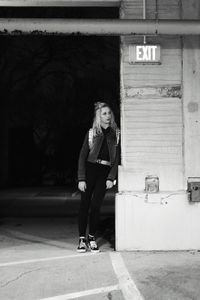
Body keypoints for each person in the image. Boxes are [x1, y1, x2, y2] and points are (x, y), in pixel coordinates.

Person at [77, 101, 120, 253]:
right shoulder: (92, 133)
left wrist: (111, 177)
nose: (108, 116)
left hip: (104, 172)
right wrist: (81, 178)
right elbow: (82, 156)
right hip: (90, 170)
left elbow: (116, 160)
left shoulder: (116, 134)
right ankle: (82, 239)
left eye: (109, 113)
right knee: (85, 205)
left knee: (96, 206)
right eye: (104, 113)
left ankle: (92, 237)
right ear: (98, 116)